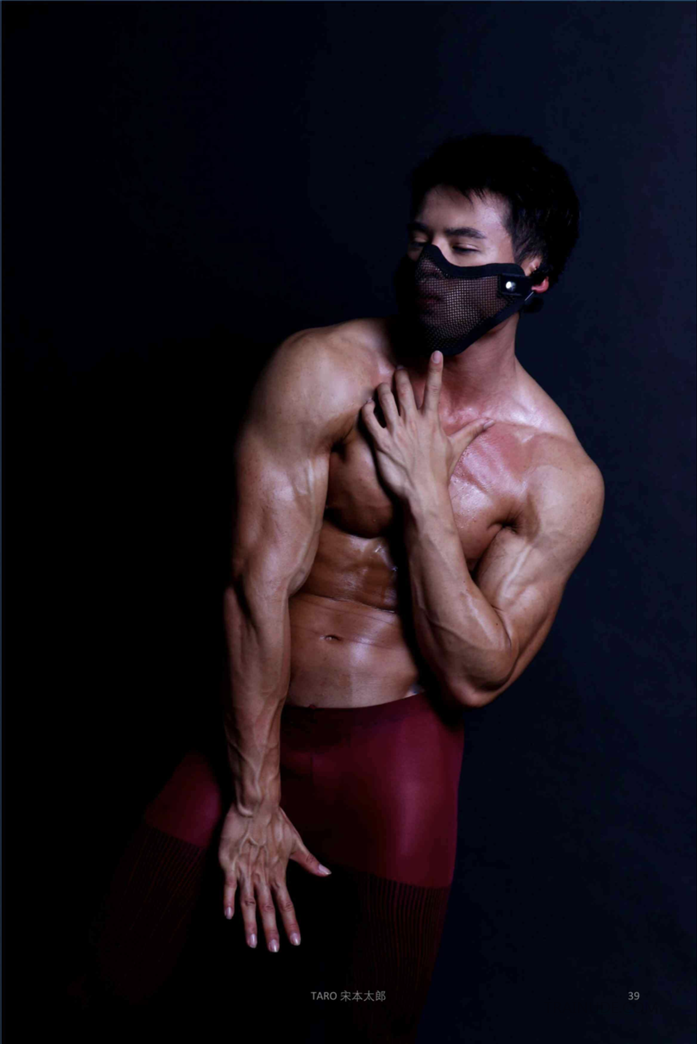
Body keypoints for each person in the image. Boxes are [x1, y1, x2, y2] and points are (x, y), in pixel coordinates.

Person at [72, 133, 604, 1042]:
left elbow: (476, 675)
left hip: (397, 754)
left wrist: (426, 499)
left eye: (461, 248)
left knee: (369, 1025)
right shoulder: (322, 369)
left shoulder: (554, 473)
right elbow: (253, 589)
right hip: (250, 719)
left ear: (532, 276)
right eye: (418, 239)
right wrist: (253, 797)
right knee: (109, 981)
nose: (428, 264)